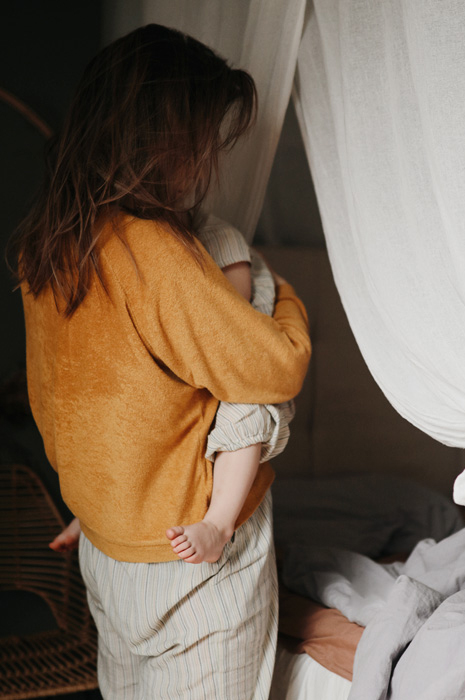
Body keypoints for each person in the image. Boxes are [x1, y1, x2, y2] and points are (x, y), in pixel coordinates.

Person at [13, 24, 311, 699]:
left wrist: (93, 502)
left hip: (108, 550)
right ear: (165, 141)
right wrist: (286, 297)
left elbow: (58, 405)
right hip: (191, 564)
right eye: (202, 143)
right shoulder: (151, 250)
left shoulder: (49, 245)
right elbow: (273, 369)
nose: (206, 163)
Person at [50, 214, 296, 563]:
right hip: (179, 362)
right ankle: (92, 514)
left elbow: (229, 332)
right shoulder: (122, 245)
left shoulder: (219, 236)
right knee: (119, 420)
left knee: (246, 412)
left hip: (237, 361)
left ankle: (218, 525)